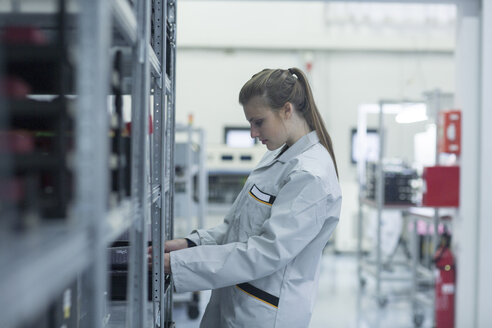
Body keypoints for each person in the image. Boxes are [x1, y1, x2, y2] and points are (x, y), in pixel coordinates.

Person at [161, 68, 341, 327]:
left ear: (287, 110)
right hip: (237, 298)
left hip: (265, 313)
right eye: (250, 123)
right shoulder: (276, 156)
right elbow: (235, 228)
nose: (253, 133)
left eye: (259, 122)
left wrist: (180, 265)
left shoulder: (310, 175)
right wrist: (189, 244)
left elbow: (266, 252)